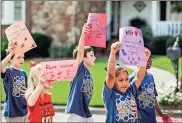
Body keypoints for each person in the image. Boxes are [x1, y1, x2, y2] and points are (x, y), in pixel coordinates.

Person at [102, 41, 150, 122]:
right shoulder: (110, 95)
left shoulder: (130, 90)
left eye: (127, 79)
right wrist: (113, 53)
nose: (125, 83)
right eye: (120, 80)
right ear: (113, 82)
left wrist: (144, 60)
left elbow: (139, 77)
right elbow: (111, 76)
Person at [65, 23, 96, 122]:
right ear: (83, 58)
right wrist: (83, 34)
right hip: (76, 113)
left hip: (85, 112)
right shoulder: (79, 69)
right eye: (91, 55)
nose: (94, 58)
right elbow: (80, 52)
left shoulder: (87, 73)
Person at [129, 49, 169, 123]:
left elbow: (153, 97)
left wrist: (161, 113)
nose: (149, 60)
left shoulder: (150, 77)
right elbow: (130, 99)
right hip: (140, 119)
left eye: (150, 58)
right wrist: (135, 114)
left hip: (151, 118)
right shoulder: (133, 78)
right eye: (146, 58)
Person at [1, 43, 28, 122]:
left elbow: (27, 90)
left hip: (24, 111)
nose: (22, 60)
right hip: (12, 113)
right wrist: (12, 53)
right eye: (19, 57)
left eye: (23, 57)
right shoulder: (8, 72)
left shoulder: (24, 73)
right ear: (11, 59)